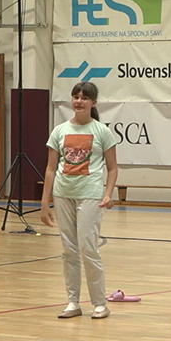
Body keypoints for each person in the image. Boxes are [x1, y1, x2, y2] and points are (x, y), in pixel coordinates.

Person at [40, 81, 118, 320]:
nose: (79, 101)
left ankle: (99, 303)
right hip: (63, 194)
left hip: (90, 194)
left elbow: (113, 168)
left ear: (93, 103)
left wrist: (108, 193)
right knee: (69, 250)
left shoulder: (102, 131)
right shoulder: (60, 130)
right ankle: (73, 302)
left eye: (84, 98)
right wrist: (45, 202)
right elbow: (51, 168)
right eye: (76, 97)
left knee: (88, 248)